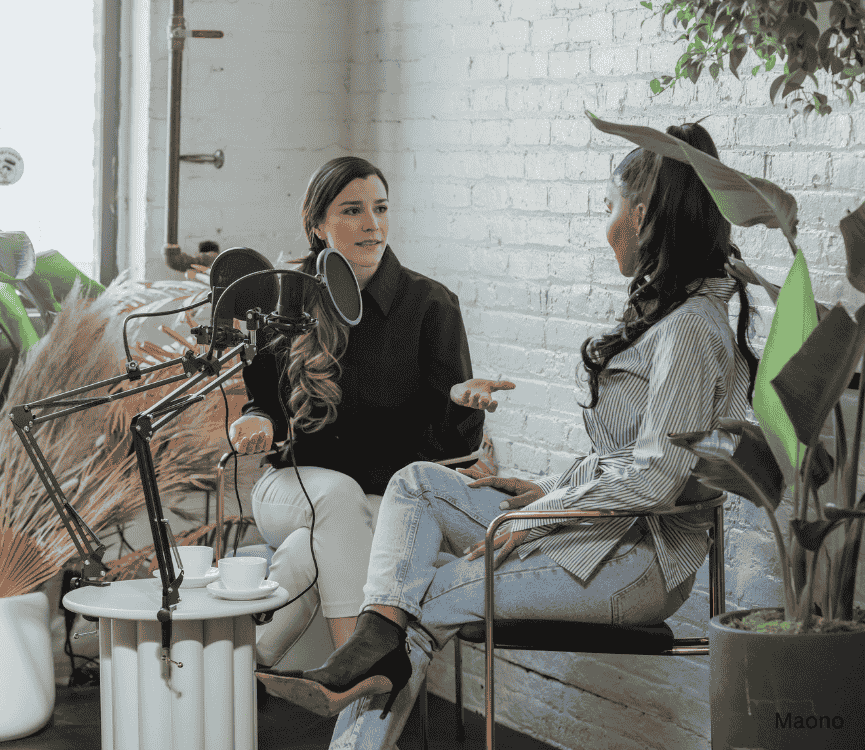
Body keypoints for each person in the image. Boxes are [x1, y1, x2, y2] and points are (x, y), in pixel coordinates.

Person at [256, 122, 761, 749]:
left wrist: (539, 514)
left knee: (418, 601)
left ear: (645, 214)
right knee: (416, 486)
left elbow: (657, 477)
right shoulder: (673, 314)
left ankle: (357, 669)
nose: (604, 225)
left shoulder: (687, 327)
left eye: (608, 207)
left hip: (630, 564)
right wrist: (546, 488)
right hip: (588, 533)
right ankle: (366, 653)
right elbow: (627, 456)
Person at [227, 156, 511, 668]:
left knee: (328, 538)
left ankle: (247, 655)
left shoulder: (431, 306)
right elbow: (264, 406)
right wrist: (257, 419)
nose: (372, 224)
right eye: (353, 210)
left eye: (380, 208)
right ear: (317, 224)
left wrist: (461, 403)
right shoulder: (285, 301)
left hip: (383, 503)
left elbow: (453, 456)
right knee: (340, 499)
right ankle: (356, 672)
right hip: (291, 487)